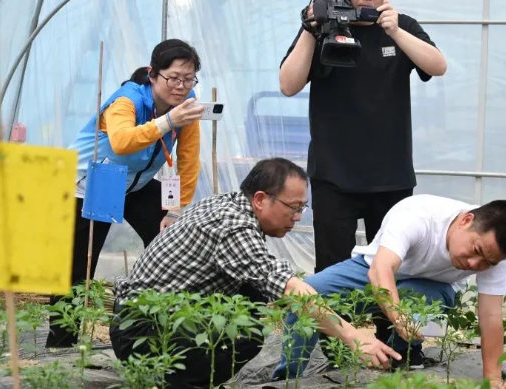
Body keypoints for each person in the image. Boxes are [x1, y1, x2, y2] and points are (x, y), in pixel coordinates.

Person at [279, 0, 448, 350]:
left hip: (390, 173)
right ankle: (338, 347)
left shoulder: (401, 26)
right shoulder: (323, 27)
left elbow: (437, 65)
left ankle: (398, 345)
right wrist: (311, 28)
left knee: (396, 264)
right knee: (333, 266)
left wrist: (395, 31)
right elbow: (288, 84)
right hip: (333, 173)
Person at [109, 158, 401, 389]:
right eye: (293, 207)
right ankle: (180, 382)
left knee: (251, 297)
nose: (297, 217)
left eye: (302, 208)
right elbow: (290, 289)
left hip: (151, 319)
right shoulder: (233, 227)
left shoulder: (228, 203)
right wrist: (354, 337)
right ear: (260, 199)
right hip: (142, 331)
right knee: (245, 333)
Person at [272, 195, 506, 389]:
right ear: (466, 220)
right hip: (371, 269)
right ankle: (288, 378)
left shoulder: (494, 255)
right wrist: (399, 318)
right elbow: (380, 271)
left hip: (429, 289)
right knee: (307, 295)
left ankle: (399, 358)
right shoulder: (419, 214)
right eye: (476, 250)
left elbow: (491, 316)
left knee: (423, 297)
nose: (474, 264)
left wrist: (493, 378)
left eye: (487, 262)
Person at [46, 38, 205, 348]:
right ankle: (62, 344)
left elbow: (189, 158)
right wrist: (167, 121)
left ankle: (162, 325)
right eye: (174, 78)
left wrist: (175, 209)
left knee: (175, 241)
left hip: (136, 184)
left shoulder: (187, 103)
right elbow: (121, 142)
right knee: (78, 265)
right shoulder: (127, 100)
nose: (181, 86)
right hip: (93, 182)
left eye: (189, 79)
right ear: (153, 74)